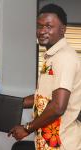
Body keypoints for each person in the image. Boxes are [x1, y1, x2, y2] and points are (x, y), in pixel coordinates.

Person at [8, 4, 81, 150]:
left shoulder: (64, 57)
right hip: (47, 143)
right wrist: (5, 106)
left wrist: (27, 128)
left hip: (62, 144)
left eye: (48, 26)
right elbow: (42, 97)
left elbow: (58, 106)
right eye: (39, 26)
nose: (42, 31)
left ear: (63, 29)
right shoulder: (51, 57)